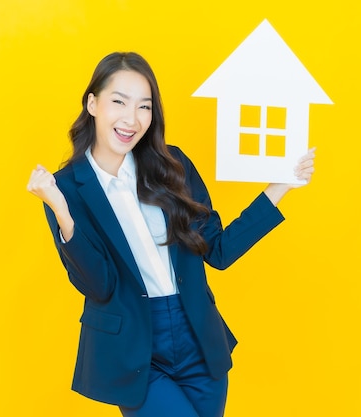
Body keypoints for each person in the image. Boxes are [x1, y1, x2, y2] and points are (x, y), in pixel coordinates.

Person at [27, 52, 315, 417]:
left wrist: (280, 185)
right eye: (119, 102)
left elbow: (219, 251)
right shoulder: (65, 188)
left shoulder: (172, 165)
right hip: (136, 352)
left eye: (144, 107)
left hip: (197, 337)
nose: (131, 119)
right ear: (93, 104)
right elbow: (99, 286)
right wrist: (62, 212)